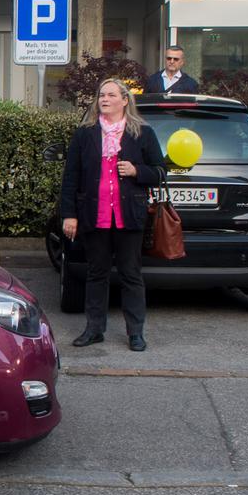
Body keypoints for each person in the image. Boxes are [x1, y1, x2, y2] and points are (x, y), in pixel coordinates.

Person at [58, 78, 166, 352]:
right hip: (94, 214)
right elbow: (71, 177)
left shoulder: (142, 132)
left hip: (129, 215)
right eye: (101, 95)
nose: (104, 99)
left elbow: (160, 172)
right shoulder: (85, 133)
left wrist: (137, 171)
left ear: (124, 100)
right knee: (97, 273)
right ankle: (94, 329)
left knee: (131, 274)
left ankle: (136, 333)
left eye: (110, 95)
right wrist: (69, 214)